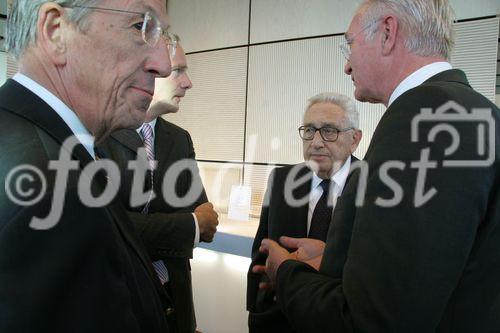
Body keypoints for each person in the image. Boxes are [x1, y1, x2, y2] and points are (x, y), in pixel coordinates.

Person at [257, 0, 500, 332]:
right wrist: (334, 258)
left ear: (387, 32)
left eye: (350, 44)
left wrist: (285, 272)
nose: (346, 65)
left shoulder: (421, 118)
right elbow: (429, 266)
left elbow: (373, 319)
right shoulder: (475, 112)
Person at [0, 1, 177, 332]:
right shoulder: (55, 195)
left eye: (164, 36)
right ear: (56, 32)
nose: (164, 65)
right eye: (142, 27)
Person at [98, 36, 218, 333]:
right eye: (178, 70)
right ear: (145, 72)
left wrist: (187, 223)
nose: (188, 82)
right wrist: (187, 225)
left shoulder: (179, 139)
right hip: (118, 303)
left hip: (174, 302)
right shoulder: (97, 133)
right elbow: (107, 229)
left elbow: (205, 221)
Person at [246, 92, 362, 332]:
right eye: (309, 130)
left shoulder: (374, 186)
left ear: (355, 139)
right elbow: (261, 250)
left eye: (329, 131)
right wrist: (256, 312)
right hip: (278, 320)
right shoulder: (282, 179)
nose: (316, 142)